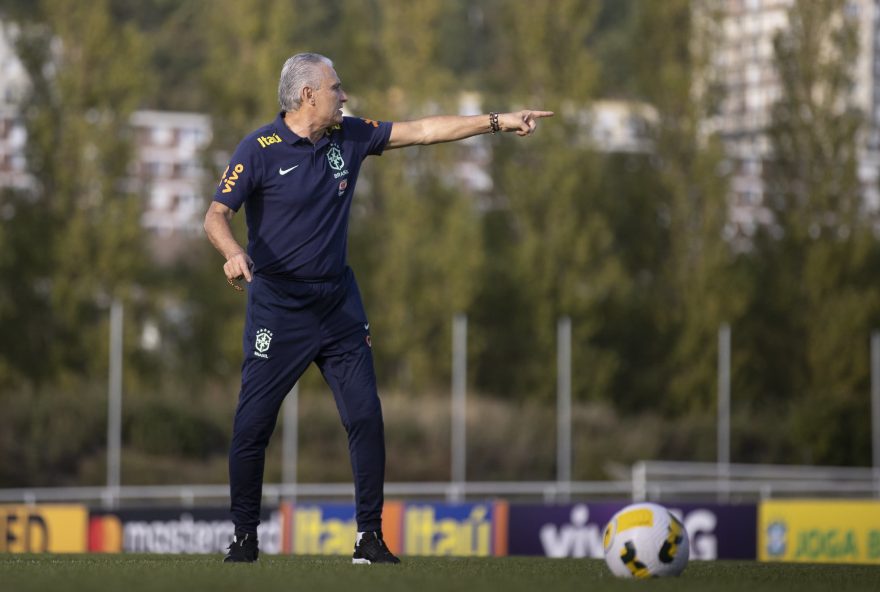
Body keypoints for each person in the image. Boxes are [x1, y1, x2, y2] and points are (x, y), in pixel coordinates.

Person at [204, 52, 553, 564]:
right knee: (253, 424)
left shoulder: (350, 134)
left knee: (366, 417)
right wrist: (234, 253)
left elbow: (425, 131)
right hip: (278, 309)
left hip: (339, 305)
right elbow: (215, 215)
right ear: (308, 96)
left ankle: (369, 537)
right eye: (336, 87)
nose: (344, 96)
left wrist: (497, 121)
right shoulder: (258, 148)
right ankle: (244, 537)